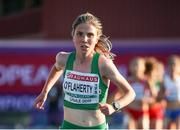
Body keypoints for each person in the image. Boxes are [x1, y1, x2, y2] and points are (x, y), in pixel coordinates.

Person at [33, 12, 136, 129]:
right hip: (68, 126)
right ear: (73, 36)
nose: (84, 39)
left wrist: (114, 107)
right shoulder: (63, 58)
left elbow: (130, 93)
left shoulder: (104, 64)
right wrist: (45, 92)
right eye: (80, 34)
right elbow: (57, 68)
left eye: (90, 35)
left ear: (97, 38)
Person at [125, 57, 150, 129]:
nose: (136, 67)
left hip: (142, 111)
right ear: (130, 67)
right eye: (133, 65)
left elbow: (154, 98)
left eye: (137, 65)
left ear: (143, 68)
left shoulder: (146, 81)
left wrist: (145, 100)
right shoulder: (127, 81)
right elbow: (121, 95)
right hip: (130, 111)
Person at [164, 55, 180, 129]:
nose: (173, 66)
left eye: (175, 64)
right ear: (167, 66)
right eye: (170, 64)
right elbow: (158, 97)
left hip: (178, 110)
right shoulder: (164, 80)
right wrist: (164, 94)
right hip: (168, 111)